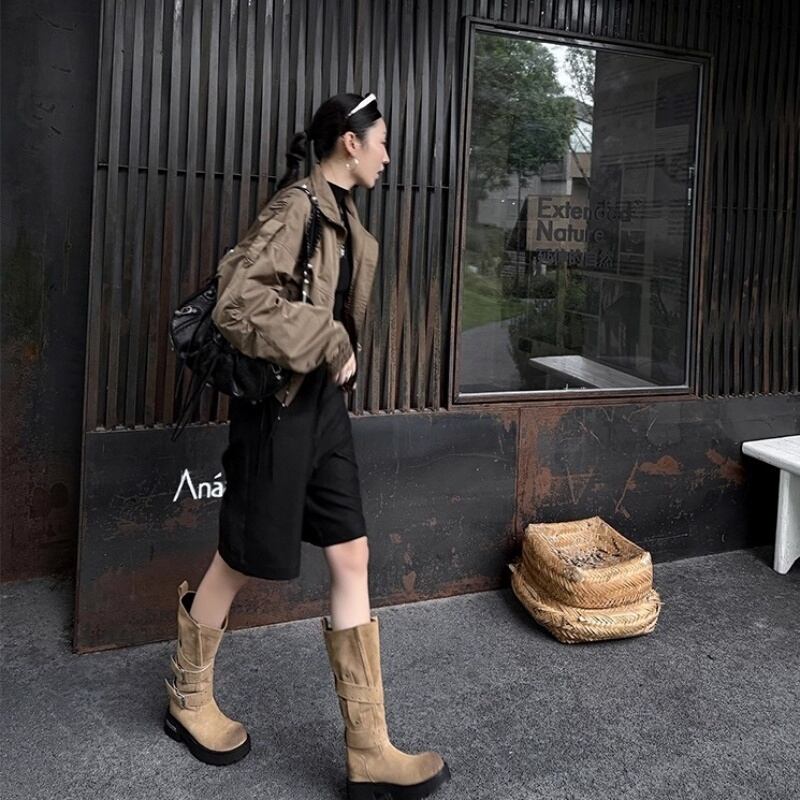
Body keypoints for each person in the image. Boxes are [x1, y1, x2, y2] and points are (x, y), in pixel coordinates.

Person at [162, 92, 451, 800]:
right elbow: (237, 302)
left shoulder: (345, 221)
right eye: (381, 141)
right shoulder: (297, 208)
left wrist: (335, 349)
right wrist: (328, 339)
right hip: (278, 411)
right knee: (241, 556)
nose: (388, 156)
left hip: (321, 410)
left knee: (351, 553)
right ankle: (187, 698)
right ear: (350, 142)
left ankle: (369, 749)